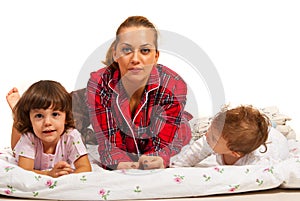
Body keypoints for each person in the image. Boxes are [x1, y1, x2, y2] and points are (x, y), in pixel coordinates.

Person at [86, 16, 192, 170]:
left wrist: (156, 158)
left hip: (169, 133)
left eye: (145, 50)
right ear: (115, 54)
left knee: (180, 130)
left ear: (155, 56)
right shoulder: (99, 83)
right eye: (127, 50)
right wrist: (119, 161)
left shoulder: (174, 83)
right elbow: (108, 142)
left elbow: (162, 144)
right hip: (125, 137)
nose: (135, 59)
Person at [6, 80, 92, 177]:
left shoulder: (71, 136)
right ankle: (17, 112)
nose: (47, 122)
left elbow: (85, 167)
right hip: (26, 139)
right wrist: (49, 174)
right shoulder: (29, 137)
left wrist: (66, 177)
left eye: (55, 114)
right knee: (17, 139)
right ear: (30, 119)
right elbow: (25, 170)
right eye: (39, 116)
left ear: (66, 117)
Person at [170, 105, 289, 167]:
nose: (206, 135)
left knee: (266, 132)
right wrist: (176, 167)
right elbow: (194, 152)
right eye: (209, 130)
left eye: (212, 137)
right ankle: (269, 123)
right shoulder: (210, 141)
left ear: (234, 153)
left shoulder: (256, 161)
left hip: (275, 139)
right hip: (261, 134)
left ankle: (273, 125)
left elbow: (267, 173)